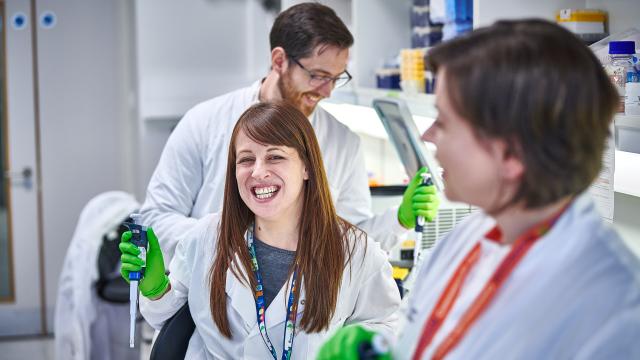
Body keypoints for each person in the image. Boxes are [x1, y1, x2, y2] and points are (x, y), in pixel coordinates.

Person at [318, 19, 640, 359]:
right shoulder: (470, 236)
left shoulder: (608, 308)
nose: (428, 137)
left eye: (443, 121)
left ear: (511, 152)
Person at [139, 2, 440, 265]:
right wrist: (230, 242)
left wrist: (398, 220)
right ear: (279, 60)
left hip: (300, 318)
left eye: (337, 78)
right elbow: (156, 219)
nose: (327, 91)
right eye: (318, 76)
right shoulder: (204, 123)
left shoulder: (342, 142)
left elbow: (351, 239)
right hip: (207, 305)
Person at [120, 102, 401, 359]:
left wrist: (362, 347)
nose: (258, 172)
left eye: (275, 157)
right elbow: (167, 321)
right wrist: (156, 287)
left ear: (306, 166)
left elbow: (385, 326)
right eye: (245, 159)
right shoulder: (206, 238)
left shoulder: (356, 251)